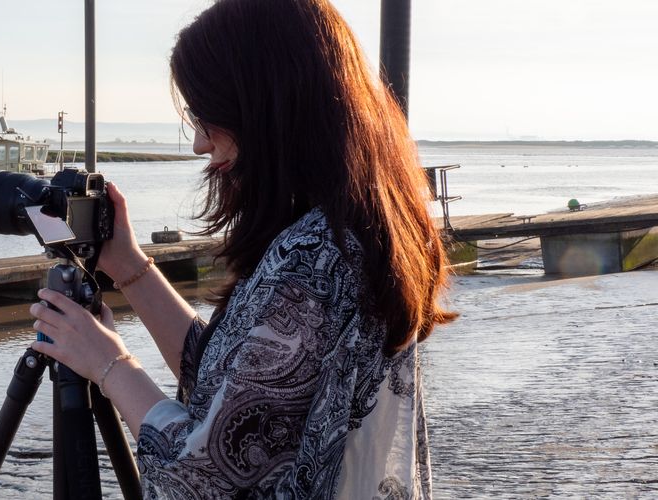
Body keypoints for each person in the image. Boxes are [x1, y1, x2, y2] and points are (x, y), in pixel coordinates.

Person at [27, 0, 455, 497]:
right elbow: (232, 389)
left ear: (263, 104)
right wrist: (128, 266)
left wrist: (108, 365)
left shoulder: (315, 259)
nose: (199, 145)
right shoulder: (346, 231)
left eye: (206, 117)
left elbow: (204, 478)